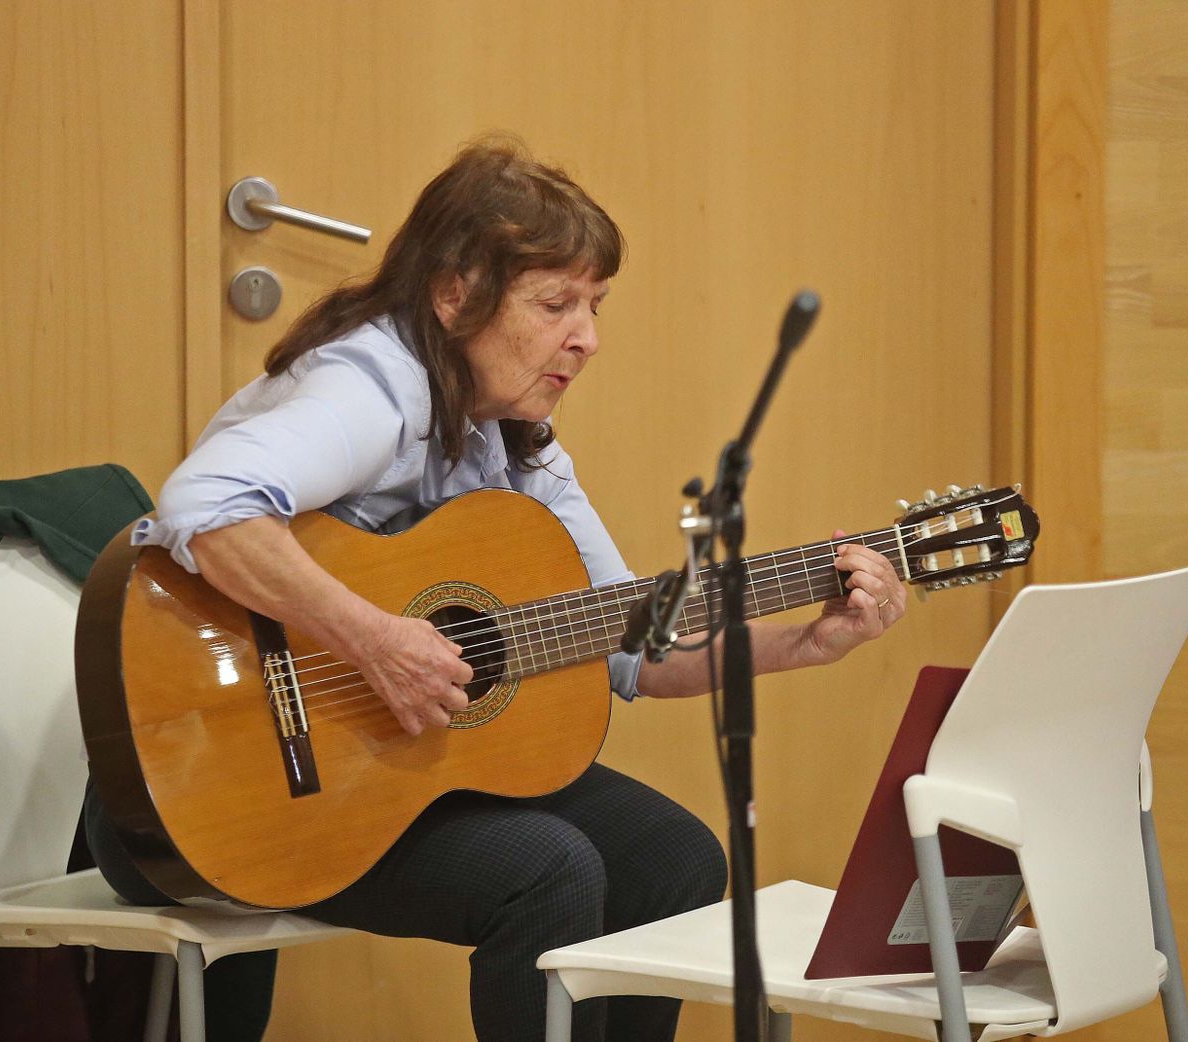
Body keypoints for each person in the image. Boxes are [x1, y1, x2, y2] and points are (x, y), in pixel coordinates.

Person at [85, 137, 908, 1042]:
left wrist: (806, 640)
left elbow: (633, 649)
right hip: (218, 787)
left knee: (674, 860)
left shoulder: (519, 437)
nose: (587, 338)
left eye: (594, 305)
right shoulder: (374, 386)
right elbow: (205, 507)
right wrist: (377, 640)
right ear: (455, 294)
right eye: (556, 303)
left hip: (380, 778)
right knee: (549, 871)